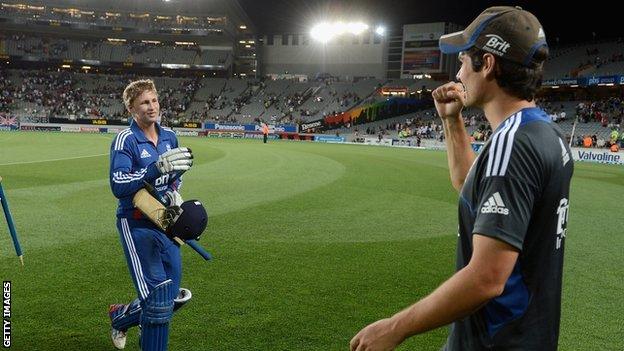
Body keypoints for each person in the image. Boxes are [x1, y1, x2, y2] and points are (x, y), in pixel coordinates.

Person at [350, 6, 573, 351]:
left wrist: (395, 327)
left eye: (464, 62)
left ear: (488, 64)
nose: (458, 72)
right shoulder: (545, 132)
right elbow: (474, 188)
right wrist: (451, 121)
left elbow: (486, 279)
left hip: (496, 342)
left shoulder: (514, 144)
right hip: (527, 336)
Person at [108, 79, 194, 350]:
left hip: (166, 220)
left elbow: (175, 173)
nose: (152, 106)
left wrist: (174, 190)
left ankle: (121, 316)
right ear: (132, 109)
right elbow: (118, 184)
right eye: (144, 102)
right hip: (135, 223)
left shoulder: (169, 135)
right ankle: (141, 322)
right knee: (157, 300)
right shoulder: (126, 139)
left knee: (169, 297)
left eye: (154, 100)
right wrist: (153, 170)